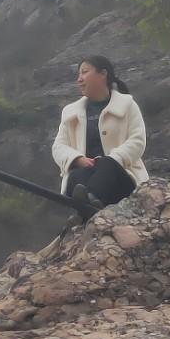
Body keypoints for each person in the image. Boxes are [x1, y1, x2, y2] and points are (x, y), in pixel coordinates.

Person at [51, 55, 149, 221]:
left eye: (84, 72)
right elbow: (58, 147)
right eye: (78, 74)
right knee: (76, 175)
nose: (79, 79)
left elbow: (137, 140)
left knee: (107, 165)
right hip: (83, 178)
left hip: (120, 181)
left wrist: (114, 159)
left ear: (103, 74)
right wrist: (77, 159)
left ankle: (88, 206)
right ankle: (92, 202)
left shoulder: (127, 105)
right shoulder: (70, 113)